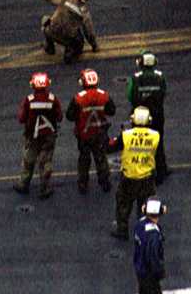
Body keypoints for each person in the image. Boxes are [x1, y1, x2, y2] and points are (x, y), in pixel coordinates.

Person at [110, 107, 161, 238]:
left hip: (129, 177)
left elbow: (111, 147)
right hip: (147, 177)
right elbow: (158, 155)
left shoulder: (126, 135)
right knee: (145, 205)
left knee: (123, 203)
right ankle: (145, 230)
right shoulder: (155, 136)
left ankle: (122, 230)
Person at [68, 67, 117, 193]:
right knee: (101, 158)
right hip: (100, 133)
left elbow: (70, 116)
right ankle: (105, 182)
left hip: (83, 134)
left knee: (84, 159)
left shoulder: (78, 98)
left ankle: (83, 184)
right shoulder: (104, 95)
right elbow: (111, 111)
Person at [15, 71, 62, 198]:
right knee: (45, 161)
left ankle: (23, 184)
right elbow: (60, 117)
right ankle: (45, 188)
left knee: (28, 160)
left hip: (32, 136)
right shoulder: (53, 99)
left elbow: (21, 119)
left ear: (32, 84)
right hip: (48, 136)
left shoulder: (29, 100)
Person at [31, 0, 99, 63]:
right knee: (80, 40)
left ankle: (49, 47)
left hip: (51, 32)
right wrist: (94, 46)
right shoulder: (84, 13)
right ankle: (71, 51)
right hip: (66, 39)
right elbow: (89, 33)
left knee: (45, 19)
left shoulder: (63, 0)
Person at [130, 51, 171, 180]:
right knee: (158, 142)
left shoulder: (136, 77)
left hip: (140, 115)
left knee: (139, 143)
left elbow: (130, 95)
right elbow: (164, 92)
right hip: (158, 113)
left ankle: (142, 170)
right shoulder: (160, 76)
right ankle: (161, 170)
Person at [132, 197, 167, 294]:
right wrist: (160, 272)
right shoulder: (153, 235)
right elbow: (153, 257)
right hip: (149, 273)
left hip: (140, 268)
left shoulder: (140, 224)